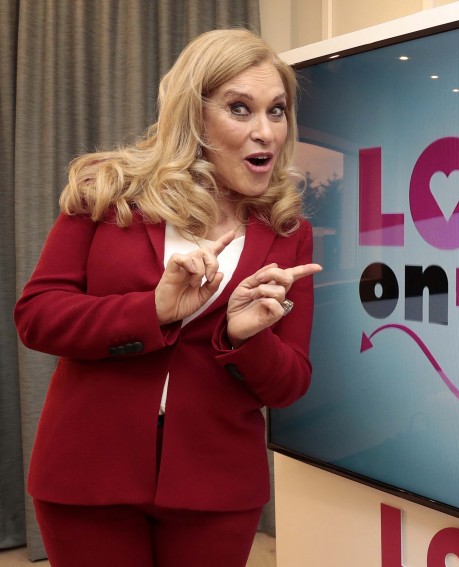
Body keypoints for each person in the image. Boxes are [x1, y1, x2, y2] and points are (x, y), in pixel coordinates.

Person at [14, 28, 321, 567]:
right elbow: (37, 316)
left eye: (276, 111)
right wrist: (152, 310)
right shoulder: (106, 190)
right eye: (240, 109)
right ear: (193, 115)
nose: (265, 132)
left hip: (217, 487)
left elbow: (290, 383)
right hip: (86, 474)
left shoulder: (289, 231)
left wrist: (242, 337)